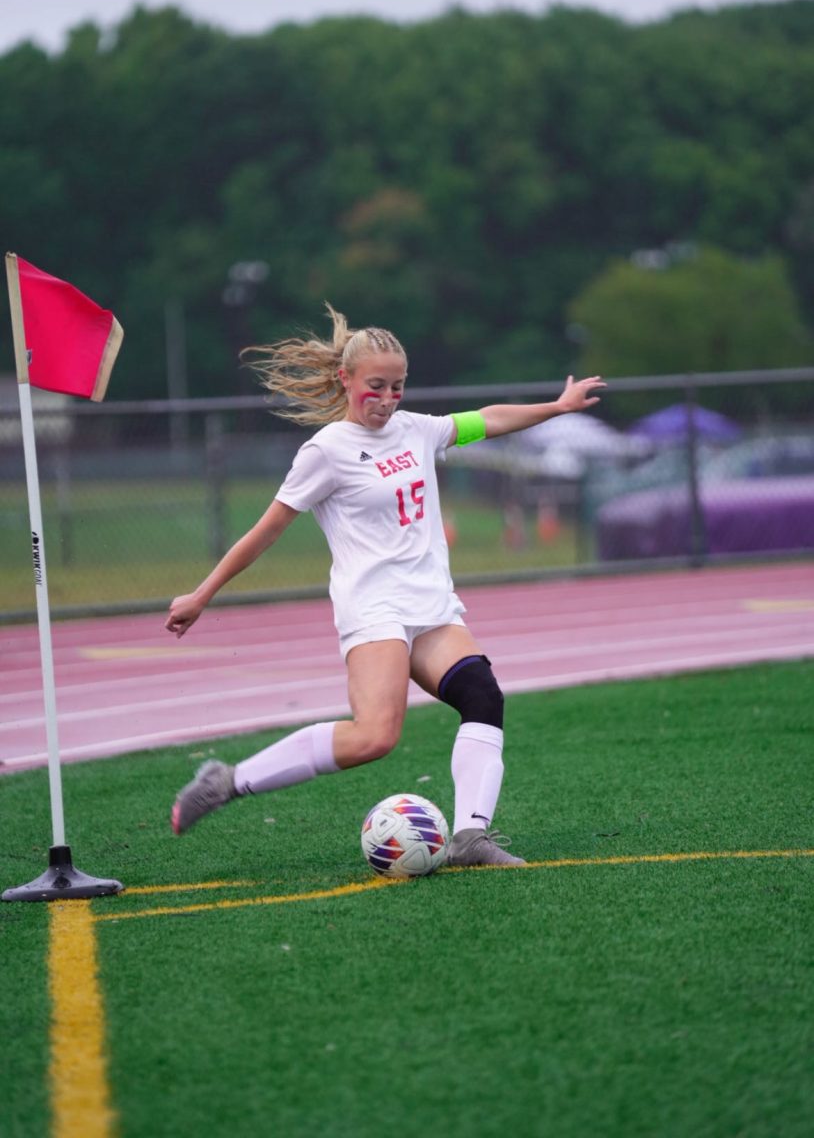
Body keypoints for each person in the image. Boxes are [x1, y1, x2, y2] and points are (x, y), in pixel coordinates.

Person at [166, 306, 605, 866]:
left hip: (431, 606)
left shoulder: (417, 430)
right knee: (375, 737)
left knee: (483, 696)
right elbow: (266, 530)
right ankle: (227, 780)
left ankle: (471, 837)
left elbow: (487, 420)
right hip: (374, 608)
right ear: (346, 380)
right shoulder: (326, 451)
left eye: (398, 386)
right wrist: (202, 594)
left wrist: (558, 407)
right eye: (376, 386)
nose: (388, 397)